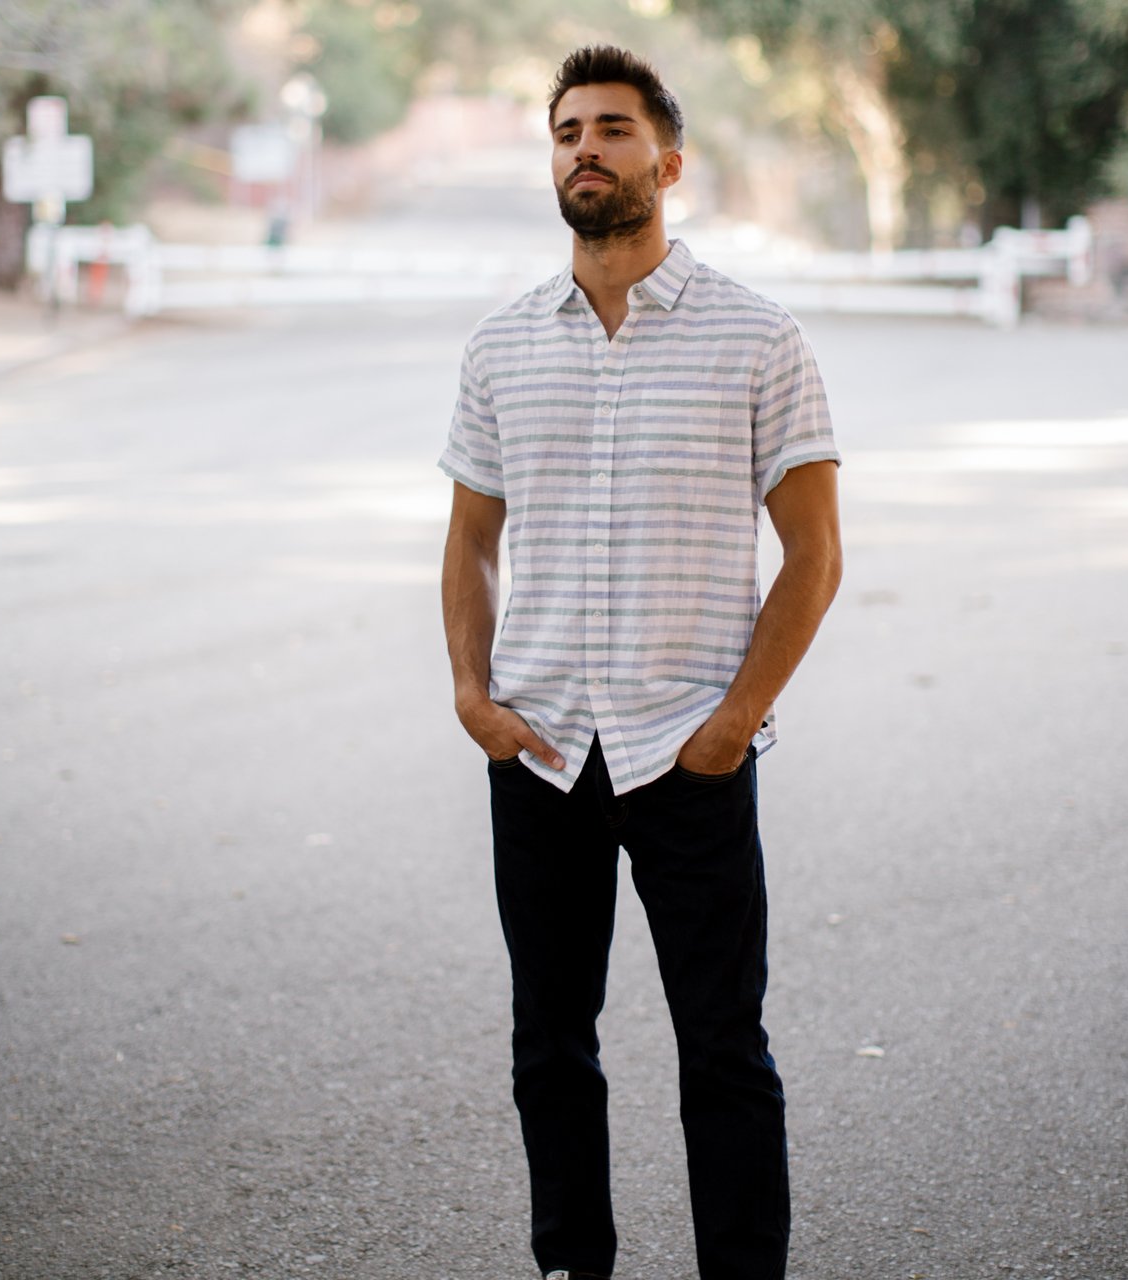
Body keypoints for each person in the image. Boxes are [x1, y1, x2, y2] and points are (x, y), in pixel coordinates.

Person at [439, 45, 842, 1280]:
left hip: (688, 752)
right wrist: (472, 695)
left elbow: (813, 556)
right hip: (543, 750)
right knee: (546, 1040)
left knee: (722, 1044)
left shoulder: (756, 339)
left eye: (611, 130)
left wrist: (731, 723)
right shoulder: (501, 347)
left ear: (667, 164)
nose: (585, 150)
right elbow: (469, 543)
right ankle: (572, 1264)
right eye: (566, 132)